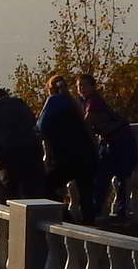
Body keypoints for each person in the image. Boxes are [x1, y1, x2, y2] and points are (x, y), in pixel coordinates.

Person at [77, 73, 138, 224]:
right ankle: (95, 210)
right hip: (108, 141)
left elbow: (86, 122)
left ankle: (122, 212)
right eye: (79, 86)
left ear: (93, 87)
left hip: (122, 139)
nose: (81, 88)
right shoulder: (84, 102)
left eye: (85, 85)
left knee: (122, 176)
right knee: (101, 176)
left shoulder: (94, 101)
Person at [37, 73, 99, 221]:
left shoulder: (54, 100)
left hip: (69, 158)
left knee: (44, 187)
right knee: (86, 197)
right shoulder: (72, 102)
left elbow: (41, 126)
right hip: (88, 154)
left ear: (50, 89)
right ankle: (90, 229)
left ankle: (67, 219)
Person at [0, 87, 44, 200]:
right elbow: (33, 122)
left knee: (10, 191)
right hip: (32, 150)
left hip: (9, 154)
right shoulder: (20, 103)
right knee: (36, 191)